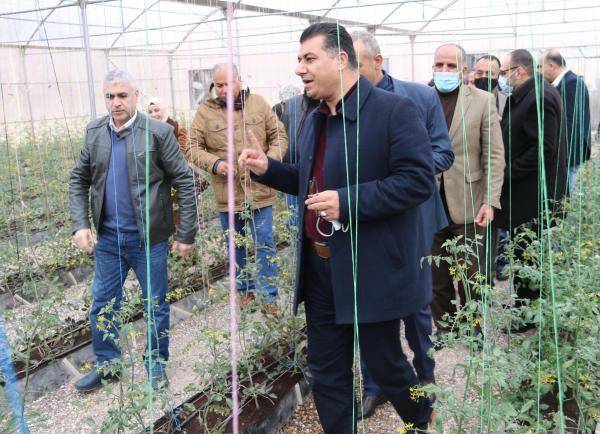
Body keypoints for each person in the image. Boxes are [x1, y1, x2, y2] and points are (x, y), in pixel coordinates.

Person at [239, 23, 434, 433]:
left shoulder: (394, 112)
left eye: (309, 58)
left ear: (341, 59)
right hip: (320, 268)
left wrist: (348, 202)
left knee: (386, 364)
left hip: (370, 268)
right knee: (327, 371)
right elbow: (309, 181)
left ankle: (421, 417)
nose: (300, 68)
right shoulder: (315, 119)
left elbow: (418, 181)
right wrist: (268, 169)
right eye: (299, 59)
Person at [69, 69, 198, 392]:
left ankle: (155, 364)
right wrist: (81, 224)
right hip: (108, 239)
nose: (116, 103)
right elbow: (79, 179)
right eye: (109, 96)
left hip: (148, 239)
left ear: (136, 96)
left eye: (122, 96)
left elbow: (184, 180)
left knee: (154, 304)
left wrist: (186, 234)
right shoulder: (95, 132)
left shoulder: (158, 133)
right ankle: (108, 365)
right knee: (103, 305)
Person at [351, 30, 454, 419]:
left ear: (377, 62)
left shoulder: (420, 97)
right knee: (368, 305)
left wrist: (406, 172)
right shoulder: (343, 105)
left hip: (412, 218)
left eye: (357, 65)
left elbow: (443, 152)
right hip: (367, 219)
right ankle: (375, 385)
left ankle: (425, 377)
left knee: (416, 304)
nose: (349, 74)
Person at [186, 63, 288, 314]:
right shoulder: (205, 112)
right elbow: (191, 147)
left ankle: (269, 297)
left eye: (228, 83)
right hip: (228, 195)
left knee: (265, 244)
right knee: (235, 247)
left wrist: (267, 162)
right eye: (218, 85)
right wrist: (215, 164)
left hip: (260, 190)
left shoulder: (259, 104)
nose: (223, 89)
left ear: (239, 80)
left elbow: (279, 136)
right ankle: (245, 292)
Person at [429, 44, 505, 335]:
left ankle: (474, 328)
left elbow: (494, 155)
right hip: (429, 202)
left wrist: (490, 200)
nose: (444, 70)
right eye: (439, 65)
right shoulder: (421, 99)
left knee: (471, 271)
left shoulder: (482, 101)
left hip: (469, 200)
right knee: (436, 273)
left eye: (451, 66)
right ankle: (445, 328)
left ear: (463, 70)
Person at [495, 49, 567, 331]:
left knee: (528, 254)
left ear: (519, 71)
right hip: (525, 193)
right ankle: (524, 303)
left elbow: (543, 149)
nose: (502, 78)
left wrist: (506, 172)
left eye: (504, 72)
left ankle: (527, 315)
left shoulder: (539, 98)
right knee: (524, 251)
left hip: (533, 195)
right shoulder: (526, 95)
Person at [540, 49, 592, 194]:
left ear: (551, 65)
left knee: (563, 193)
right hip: (566, 152)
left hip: (568, 152)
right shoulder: (565, 82)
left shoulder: (571, 83)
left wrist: (560, 154)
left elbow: (570, 123)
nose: (539, 71)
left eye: (540, 66)